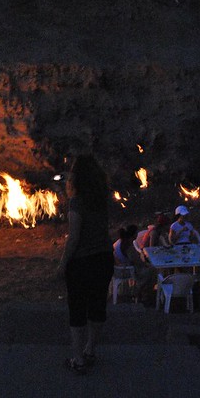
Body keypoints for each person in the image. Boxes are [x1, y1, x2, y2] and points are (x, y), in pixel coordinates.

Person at [56, 154, 114, 375]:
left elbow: (74, 238)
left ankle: (78, 358)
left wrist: (62, 265)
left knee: (78, 310)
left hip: (82, 262)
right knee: (98, 306)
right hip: (104, 258)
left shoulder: (77, 203)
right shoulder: (103, 199)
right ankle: (90, 350)